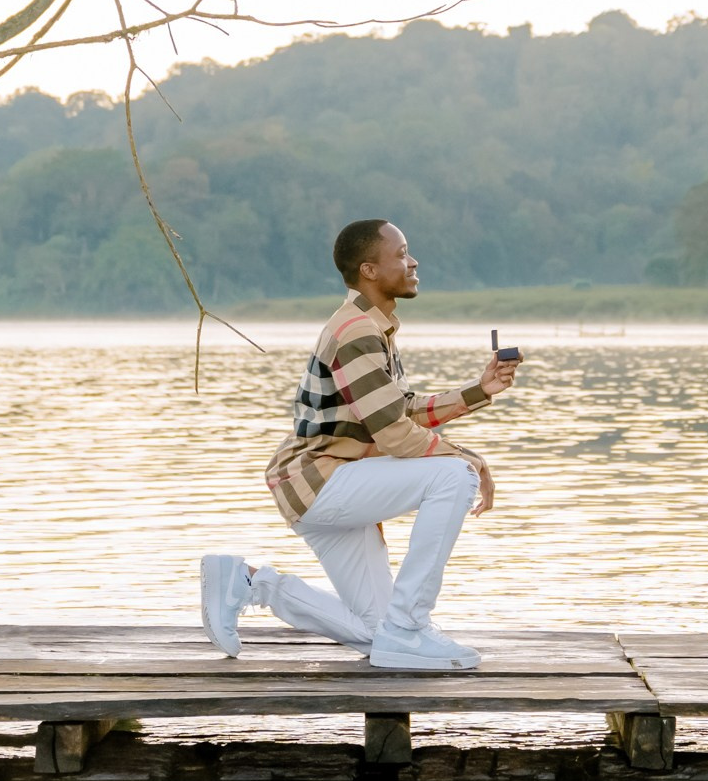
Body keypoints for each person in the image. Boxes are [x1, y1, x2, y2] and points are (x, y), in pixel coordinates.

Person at [200, 219, 517, 670]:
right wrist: (469, 459)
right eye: (401, 254)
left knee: (376, 632)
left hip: (324, 483)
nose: (413, 262)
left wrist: (479, 390)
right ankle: (410, 626)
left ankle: (250, 583)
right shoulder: (355, 331)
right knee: (454, 475)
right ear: (369, 270)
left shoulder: (369, 327)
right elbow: (393, 434)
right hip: (322, 480)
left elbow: (395, 412)